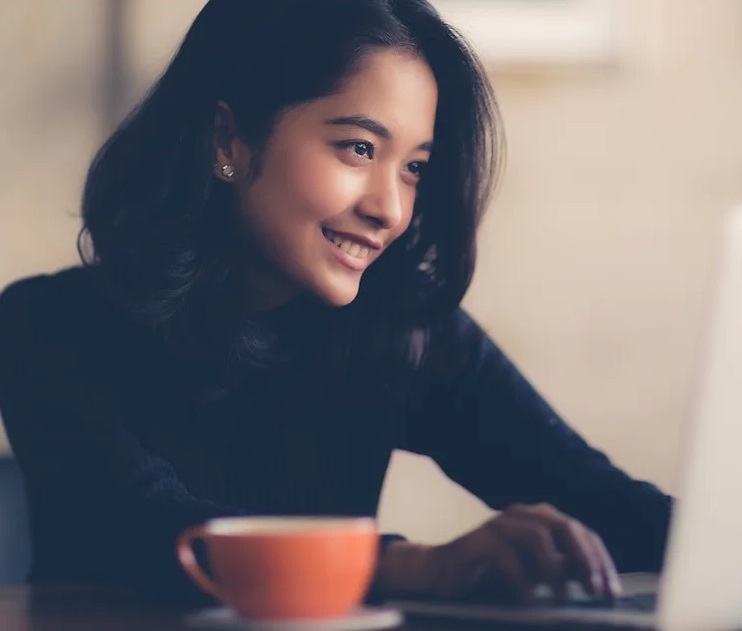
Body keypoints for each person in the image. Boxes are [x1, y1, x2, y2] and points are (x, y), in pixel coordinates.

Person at [0, 0, 672, 606]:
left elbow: (605, 504)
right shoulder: (45, 327)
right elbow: (147, 528)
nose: (391, 209)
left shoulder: (404, 333)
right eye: (358, 148)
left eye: (414, 167)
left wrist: (729, 548)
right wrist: (417, 565)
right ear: (226, 139)